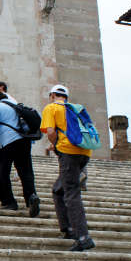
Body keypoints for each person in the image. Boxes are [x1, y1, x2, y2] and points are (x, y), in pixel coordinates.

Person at [40, 84, 95, 251]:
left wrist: (55, 145)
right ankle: (68, 228)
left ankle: (83, 237)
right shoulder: (74, 108)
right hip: (84, 152)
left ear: (52, 95)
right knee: (59, 189)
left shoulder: (51, 107)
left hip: (68, 152)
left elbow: (50, 131)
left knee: (71, 193)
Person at [0, 90, 40, 216]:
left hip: (8, 143)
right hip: (24, 141)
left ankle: (9, 202)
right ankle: (31, 198)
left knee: (3, 172)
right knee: (26, 172)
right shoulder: (15, 106)